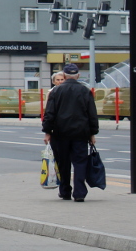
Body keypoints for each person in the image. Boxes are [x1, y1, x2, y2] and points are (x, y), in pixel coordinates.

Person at [42, 63, 99, 202]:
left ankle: (65, 191)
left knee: (63, 162)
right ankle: (79, 193)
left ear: (65, 76)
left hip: (60, 133)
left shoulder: (56, 91)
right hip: (80, 133)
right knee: (80, 162)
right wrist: (92, 133)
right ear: (78, 76)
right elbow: (92, 114)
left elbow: (50, 113)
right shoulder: (85, 91)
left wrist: (47, 131)